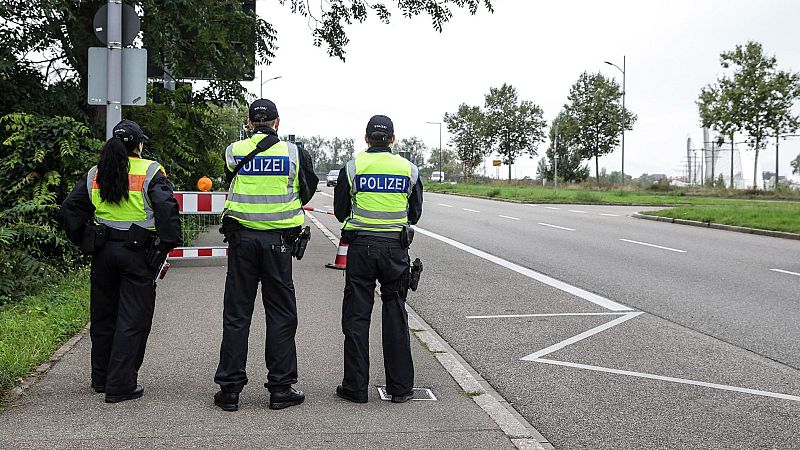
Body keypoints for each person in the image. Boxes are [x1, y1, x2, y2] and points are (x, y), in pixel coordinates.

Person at [60, 119, 182, 403]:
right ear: (139, 145)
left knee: (104, 317)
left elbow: (70, 209)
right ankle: (121, 385)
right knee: (133, 318)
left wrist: (83, 239)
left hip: (103, 252)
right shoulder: (150, 170)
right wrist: (165, 245)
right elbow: (166, 208)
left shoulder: (96, 172)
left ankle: (101, 379)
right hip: (137, 254)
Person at [213, 99, 319, 412]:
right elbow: (307, 189)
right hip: (280, 245)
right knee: (282, 315)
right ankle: (281, 389)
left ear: (248, 123)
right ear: (277, 122)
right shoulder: (294, 153)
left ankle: (230, 391)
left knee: (237, 315)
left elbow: (228, 176)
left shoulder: (235, 150)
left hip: (242, 243)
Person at [333, 115, 423, 403]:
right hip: (395, 250)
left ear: (367, 138)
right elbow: (415, 213)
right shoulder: (408, 169)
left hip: (361, 249)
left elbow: (340, 209)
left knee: (357, 317)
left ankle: (356, 388)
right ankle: (400, 388)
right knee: (395, 313)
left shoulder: (352, 167)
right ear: (393, 139)